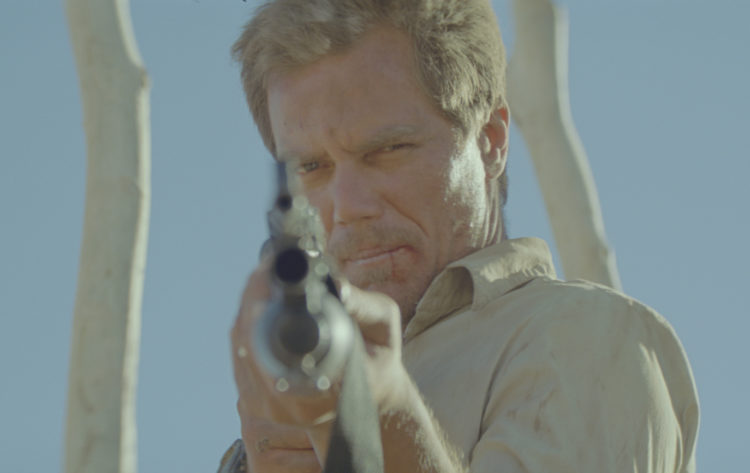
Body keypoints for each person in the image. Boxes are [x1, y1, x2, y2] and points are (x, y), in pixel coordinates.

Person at [226, 1, 700, 472]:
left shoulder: (587, 336)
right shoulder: (275, 411)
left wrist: (384, 418)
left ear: (490, 139)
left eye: (389, 148)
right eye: (311, 166)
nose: (347, 206)